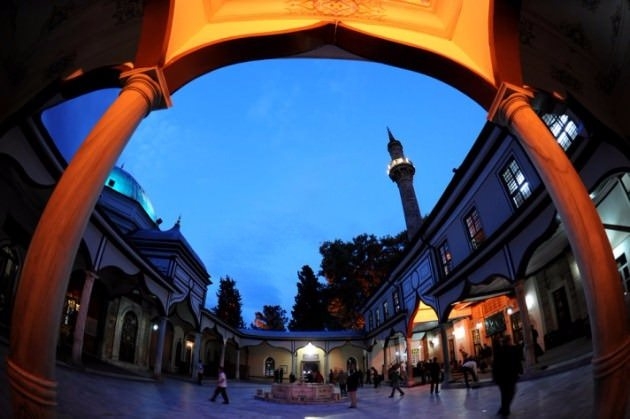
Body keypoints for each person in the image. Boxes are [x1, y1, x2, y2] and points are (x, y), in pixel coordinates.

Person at [492, 335, 522, 417]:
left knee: (504, 394)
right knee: (510, 393)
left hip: (501, 377)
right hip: (509, 376)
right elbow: (517, 361)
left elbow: (495, 365)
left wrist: (495, 377)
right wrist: (519, 371)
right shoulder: (512, 349)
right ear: (509, 341)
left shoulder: (498, 351)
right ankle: (504, 410)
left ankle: (504, 409)